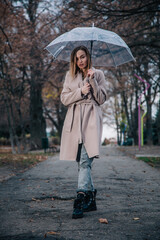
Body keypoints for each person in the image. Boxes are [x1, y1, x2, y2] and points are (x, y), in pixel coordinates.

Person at [60, 45, 107, 219]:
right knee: (80, 162)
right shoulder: (69, 76)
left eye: (83, 57)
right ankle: (91, 198)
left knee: (85, 162)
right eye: (77, 58)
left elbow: (101, 99)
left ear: (88, 56)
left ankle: (79, 199)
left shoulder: (99, 74)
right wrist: (80, 91)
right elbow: (64, 99)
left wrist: (92, 81)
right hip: (74, 122)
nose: (80, 61)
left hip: (91, 121)